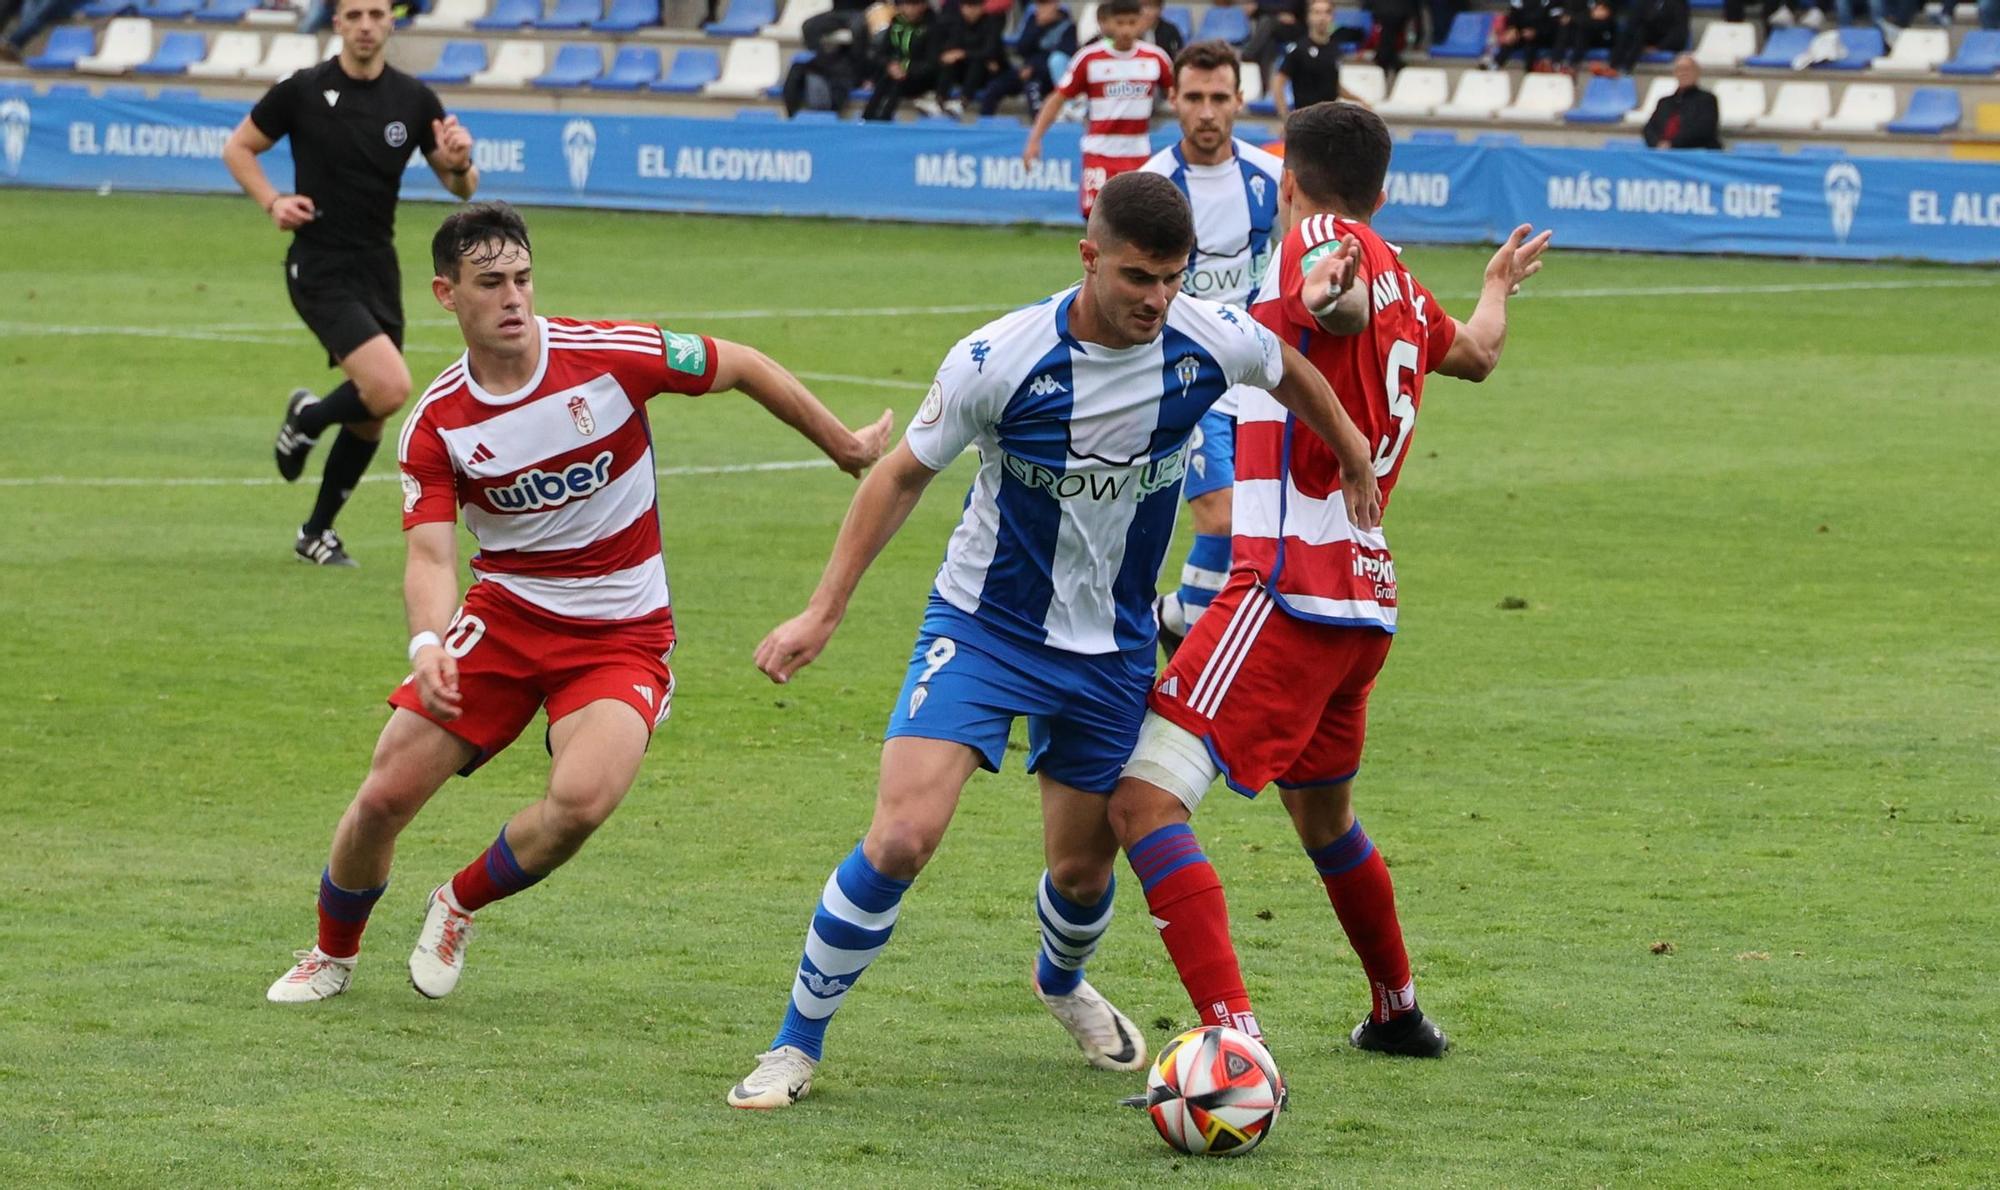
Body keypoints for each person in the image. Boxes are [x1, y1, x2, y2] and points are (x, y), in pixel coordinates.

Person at [723, 171, 1382, 1110]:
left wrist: (1353, 453)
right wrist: (823, 610)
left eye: (1170, 276)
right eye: (1134, 277)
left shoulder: (1205, 336)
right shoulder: (999, 358)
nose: (1156, 298)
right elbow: (899, 477)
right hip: (985, 628)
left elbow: (1290, 370)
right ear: (1089, 257)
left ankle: (1061, 981)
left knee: (1080, 870)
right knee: (904, 835)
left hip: (1111, 649)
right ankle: (794, 1046)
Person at [264, 202, 893, 1005]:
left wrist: (841, 444)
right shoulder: (437, 425)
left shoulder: (610, 356)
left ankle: (458, 901)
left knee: (582, 802)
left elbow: (739, 362)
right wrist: (428, 648)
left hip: (623, 633)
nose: (514, 298)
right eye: (490, 283)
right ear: (445, 294)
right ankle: (331, 953)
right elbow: (429, 556)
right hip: (506, 619)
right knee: (384, 795)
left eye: (523, 278)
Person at [1103, 102, 1551, 1061]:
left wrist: (1325, 286)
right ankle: (1397, 1010)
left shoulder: (1318, 242)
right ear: (1386, 194)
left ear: (1290, 180)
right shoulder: (1399, 274)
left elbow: (1324, 295)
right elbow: (1476, 352)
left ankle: (1236, 1046)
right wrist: (1496, 285)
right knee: (1325, 816)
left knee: (1142, 803)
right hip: (1364, 603)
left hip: (1282, 592)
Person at [221, 0, 476, 569]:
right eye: (354, 13)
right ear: (336, 22)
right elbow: (238, 148)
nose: (365, 24)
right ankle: (307, 418)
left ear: (392, 22)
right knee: (389, 386)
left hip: (378, 267)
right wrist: (273, 201)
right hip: (318, 264)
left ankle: (316, 532)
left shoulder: (413, 99)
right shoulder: (303, 89)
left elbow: (460, 184)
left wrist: (460, 162)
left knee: (371, 414)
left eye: (376, 14)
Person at [1138, 41, 1280, 657]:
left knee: (1252, 534)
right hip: (1184, 381)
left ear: (1239, 102)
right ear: (1173, 101)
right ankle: (1183, 646)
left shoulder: (1270, 179)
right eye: (1193, 98)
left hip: (1256, 379)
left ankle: (1173, 619)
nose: (1206, 112)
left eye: (1218, 98)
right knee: (1219, 520)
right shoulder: (1150, 186)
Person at [1023, 0, 1176, 218]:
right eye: (1120, 22)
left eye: (1131, 22)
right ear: (1108, 24)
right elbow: (1057, 98)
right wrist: (1034, 139)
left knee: (1137, 221)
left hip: (1138, 154)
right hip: (1100, 152)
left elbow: (1178, 96)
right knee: (1097, 218)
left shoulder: (1155, 58)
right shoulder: (1089, 58)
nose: (1125, 29)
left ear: (1142, 23)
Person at [1273, 0, 1373, 117]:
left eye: (1327, 12)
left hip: (1331, 119)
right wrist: (1284, 116)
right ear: (1308, 17)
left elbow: (1333, 85)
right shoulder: (1299, 49)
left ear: (1333, 17)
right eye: (1317, 12)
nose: (1322, 17)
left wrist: (1359, 100)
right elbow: (1278, 82)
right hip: (1306, 119)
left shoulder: (1334, 48)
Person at [978, 0, 1076, 117]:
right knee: (994, 87)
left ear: (1055, 5)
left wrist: (1034, 68)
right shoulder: (1033, 21)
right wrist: (1037, 28)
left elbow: (1064, 55)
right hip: (1026, 69)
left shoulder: (1068, 27)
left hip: (1045, 74)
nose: (1040, 10)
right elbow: (1021, 48)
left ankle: (1038, 126)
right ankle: (984, 122)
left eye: (1045, 6)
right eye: (1039, 6)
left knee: (1032, 88)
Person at [862, 0, 940, 122]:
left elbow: (932, 64)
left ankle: (884, 119)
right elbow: (882, 53)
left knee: (897, 82)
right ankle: (867, 117)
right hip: (894, 73)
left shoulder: (931, 28)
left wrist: (907, 69)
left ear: (923, 6)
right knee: (885, 79)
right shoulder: (896, 23)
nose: (909, 9)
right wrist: (890, 65)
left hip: (920, 79)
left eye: (914, 4)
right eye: (906, 4)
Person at [934, 0, 1007, 117]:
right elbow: (951, 48)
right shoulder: (956, 23)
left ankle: (963, 101)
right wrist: (956, 55)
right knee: (949, 61)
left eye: (975, 6)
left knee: (977, 62)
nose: (971, 10)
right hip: (962, 71)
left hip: (986, 73)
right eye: (967, 6)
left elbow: (990, 51)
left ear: (982, 7)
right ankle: (939, 100)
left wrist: (964, 53)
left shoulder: (992, 23)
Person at [1642, 53, 1720, 149]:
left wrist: (1672, 144)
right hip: (1664, 153)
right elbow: (1649, 128)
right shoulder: (1664, 102)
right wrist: (1657, 144)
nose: (1683, 73)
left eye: (1687, 69)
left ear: (1697, 73)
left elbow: (1703, 129)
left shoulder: (1707, 100)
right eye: (1680, 70)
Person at [1609, 0, 1686, 74]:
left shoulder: (1678, 3)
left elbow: (1678, 32)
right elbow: (1632, 23)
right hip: (1643, 38)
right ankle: (1613, 66)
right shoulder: (1645, 1)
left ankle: (1626, 68)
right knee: (1630, 33)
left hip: (1664, 41)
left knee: (1641, 33)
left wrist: (1658, 47)